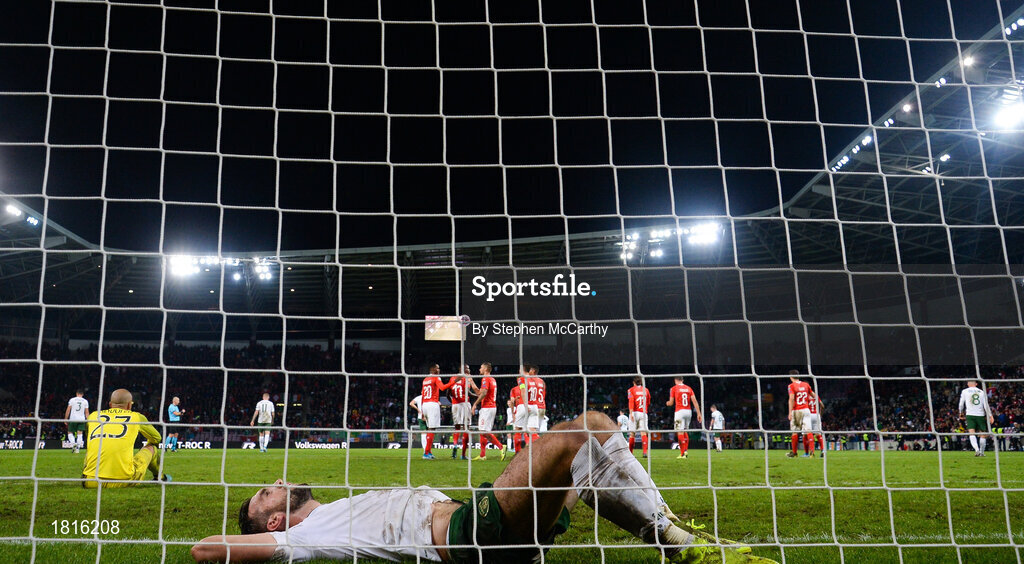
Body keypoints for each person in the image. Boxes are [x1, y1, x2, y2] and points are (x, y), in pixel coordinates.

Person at [190, 411, 778, 563]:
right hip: (475, 536)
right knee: (581, 434)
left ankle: (675, 538)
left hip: (482, 522)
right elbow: (204, 550)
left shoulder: (330, 512)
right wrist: (252, 542)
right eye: (265, 495)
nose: (275, 483)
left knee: (590, 444)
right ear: (273, 522)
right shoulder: (301, 538)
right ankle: (681, 546)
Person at [82, 388, 170, 488]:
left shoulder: (93, 416)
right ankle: (160, 477)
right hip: (124, 480)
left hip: (91, 481)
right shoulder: (136, 417)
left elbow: (88, 436)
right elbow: (157, 438)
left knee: (91, 446)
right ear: (129, 405)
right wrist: (144, 446)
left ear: (110, 404)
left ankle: (89, 473)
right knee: (152, 447)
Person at [471, 362, 506, 461]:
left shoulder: (485, 379)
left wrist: (475, 404)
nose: (479, 369)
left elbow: (483, 393)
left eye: (481, 367)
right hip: (491, 407)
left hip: (487, 408)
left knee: (483, 432)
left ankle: (501, 447)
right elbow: (480, 392)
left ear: (486, 369)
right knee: (483, 431)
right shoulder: (492, 379)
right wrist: (471, 381)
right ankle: (482, 455)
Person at [421, 364, 455, 460]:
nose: (439, 370)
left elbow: (423, 394)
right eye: (437, 368)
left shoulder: (425, 379)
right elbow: (442, 388)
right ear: (433, 369)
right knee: (432, 429)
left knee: (429, 429)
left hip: (425, 404)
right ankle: (426, 453)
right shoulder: (436, 377)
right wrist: (453, 382)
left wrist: (422, 411)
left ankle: (429, 452)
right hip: (432, 404)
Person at [667, 377, 701, 459]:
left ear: (675, 380)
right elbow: (695, 401)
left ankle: (683, 453)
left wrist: (667, 403)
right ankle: (685, 451)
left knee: (680, 432)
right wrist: (699, 413)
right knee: (685, 431)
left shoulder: (673, 388)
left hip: (679, 412)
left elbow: (671, 403)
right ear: (682, 380)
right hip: (688, 411)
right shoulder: (689, 388)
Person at [959, 380, 994, 457]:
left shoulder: (964, 391)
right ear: (976, 384)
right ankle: (981, 452)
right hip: (980, 414)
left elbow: (961, 404)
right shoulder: (981, 392)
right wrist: (990, 415)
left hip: (970, 414)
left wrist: (960, 412)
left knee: (972, 433)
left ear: (968, 384)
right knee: (982, 434)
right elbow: (986, 405)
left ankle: (976, 449)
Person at [787, 371, 814, 458]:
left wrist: (790, 412)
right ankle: (812, 452)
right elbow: (813, 395)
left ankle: (794, 453)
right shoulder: (806, 384)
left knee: (795, 432)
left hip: (797, 410)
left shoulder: (791, 386)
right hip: (806, 409)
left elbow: (791, 398)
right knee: (809, 431)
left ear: (791, 377)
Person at [449, 366, 474, 460]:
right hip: (465, 403)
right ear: (464, 370)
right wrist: (477, 396)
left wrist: (452, 402)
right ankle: (463, 454)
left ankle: (455, 445)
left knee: (457, 428)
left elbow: (448, 392)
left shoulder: (452, 378)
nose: (469, 370)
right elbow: (468, 392)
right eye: (468, 368)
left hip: (455, 404)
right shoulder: (466, 378)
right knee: (466, 428)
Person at [627, 377, 651, 457]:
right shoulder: (646, 390)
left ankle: (630, 453)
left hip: (634, 413)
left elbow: (631, 401)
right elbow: (648, 402)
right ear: (641, 382)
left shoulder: (631, 390)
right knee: (643, 433)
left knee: (632, 433)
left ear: (634, 382)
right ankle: (645, 452)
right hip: (643, 412)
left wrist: (631, 413)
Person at [64, 389, 89, 454]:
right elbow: (86, 412)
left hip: (73, 419)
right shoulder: (85, 401)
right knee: (80, 434)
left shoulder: (72, 400)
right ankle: (77, 449)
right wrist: (88, 420)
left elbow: (68, 410)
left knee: (70, 432)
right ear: (82, 394)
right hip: (81, 419)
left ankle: (73, 444)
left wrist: (66, 418)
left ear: (76, 393)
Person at [806, 384, 825, 456]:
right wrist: (820, 415)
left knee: (809, 433)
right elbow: (822, 406)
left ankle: (812, 451)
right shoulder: (816, 396)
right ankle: (823, 450)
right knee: (818, 434)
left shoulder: (806, 396)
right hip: (816, 415)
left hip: (809, 415)